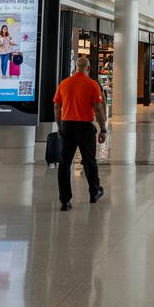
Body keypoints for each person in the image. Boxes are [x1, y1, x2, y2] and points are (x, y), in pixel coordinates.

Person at [52, 55, 107, 211]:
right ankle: (94, 192)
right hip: (85, 128)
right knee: (89, 161)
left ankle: (65, 201)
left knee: (64, 163)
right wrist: (103, 129)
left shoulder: (64, 83)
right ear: (88, 68)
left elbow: (57, 107)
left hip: (67, 126)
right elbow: (98, 109)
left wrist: (59, 126)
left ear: (75, 67)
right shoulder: (92, 84)